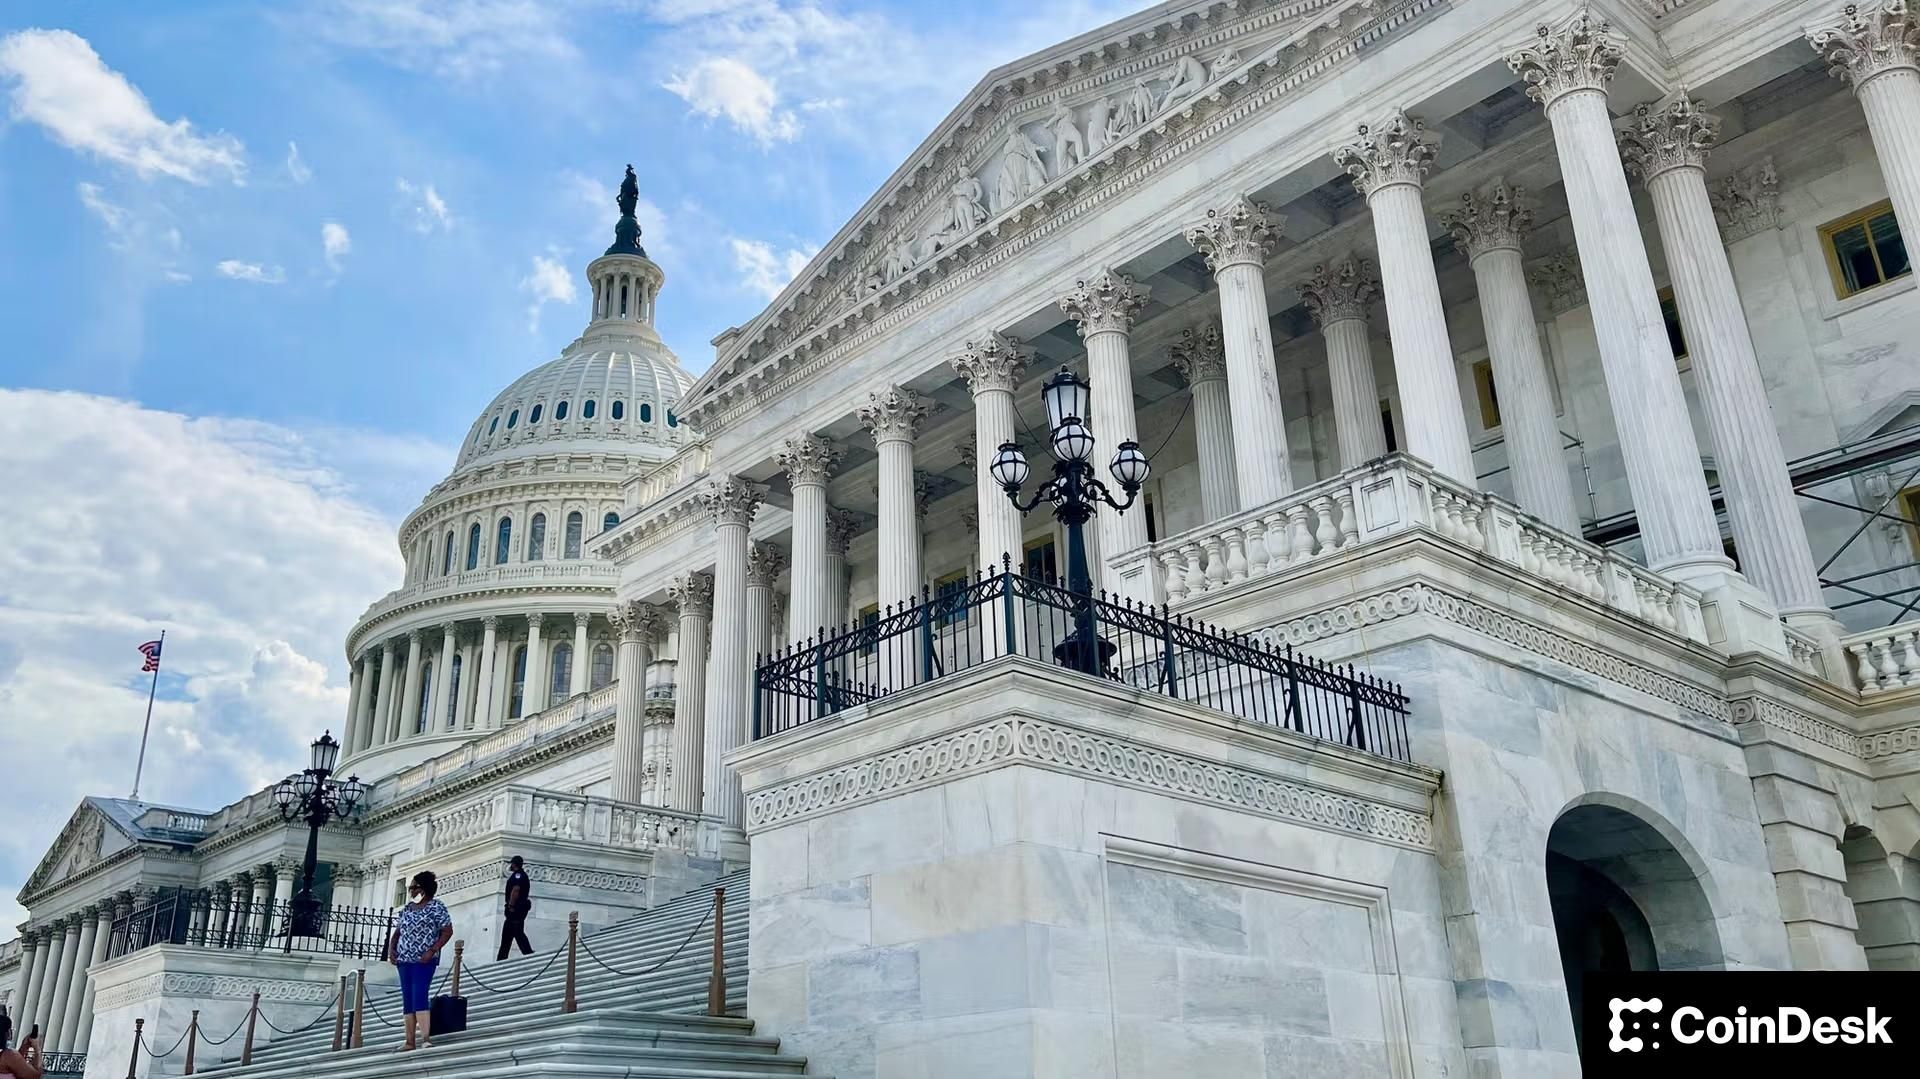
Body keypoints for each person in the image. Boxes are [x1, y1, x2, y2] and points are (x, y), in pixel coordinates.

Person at [388, 870, 453, 1051]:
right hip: (404, 959)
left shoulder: (436, 907)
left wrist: (432, 950)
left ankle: (425, 1037)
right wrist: (392, 949)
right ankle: (409, 1040)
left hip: (424, 959)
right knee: (408, 998)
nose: (411, 891)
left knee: (420, 995)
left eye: (413, 887)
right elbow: (397, 933)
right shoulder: (408, 909)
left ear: (423, 889)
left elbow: (447, 931)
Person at [497, 855, 534, 960]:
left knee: (515, 934)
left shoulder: (518, 876)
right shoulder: (522, 875)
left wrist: (511, 906)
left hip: (515, 911)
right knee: (510, 934)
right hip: (518, 911)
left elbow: (516, 890)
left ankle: (528, 953)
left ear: (514, 864)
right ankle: (501, 958)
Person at [0, 1012, 44, 1079]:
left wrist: (24, 1047)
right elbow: (35, 1076)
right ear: (8, 1032)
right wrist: (37, 1049)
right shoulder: (8, 1055)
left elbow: (16, 1065)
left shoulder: (8, 1057)